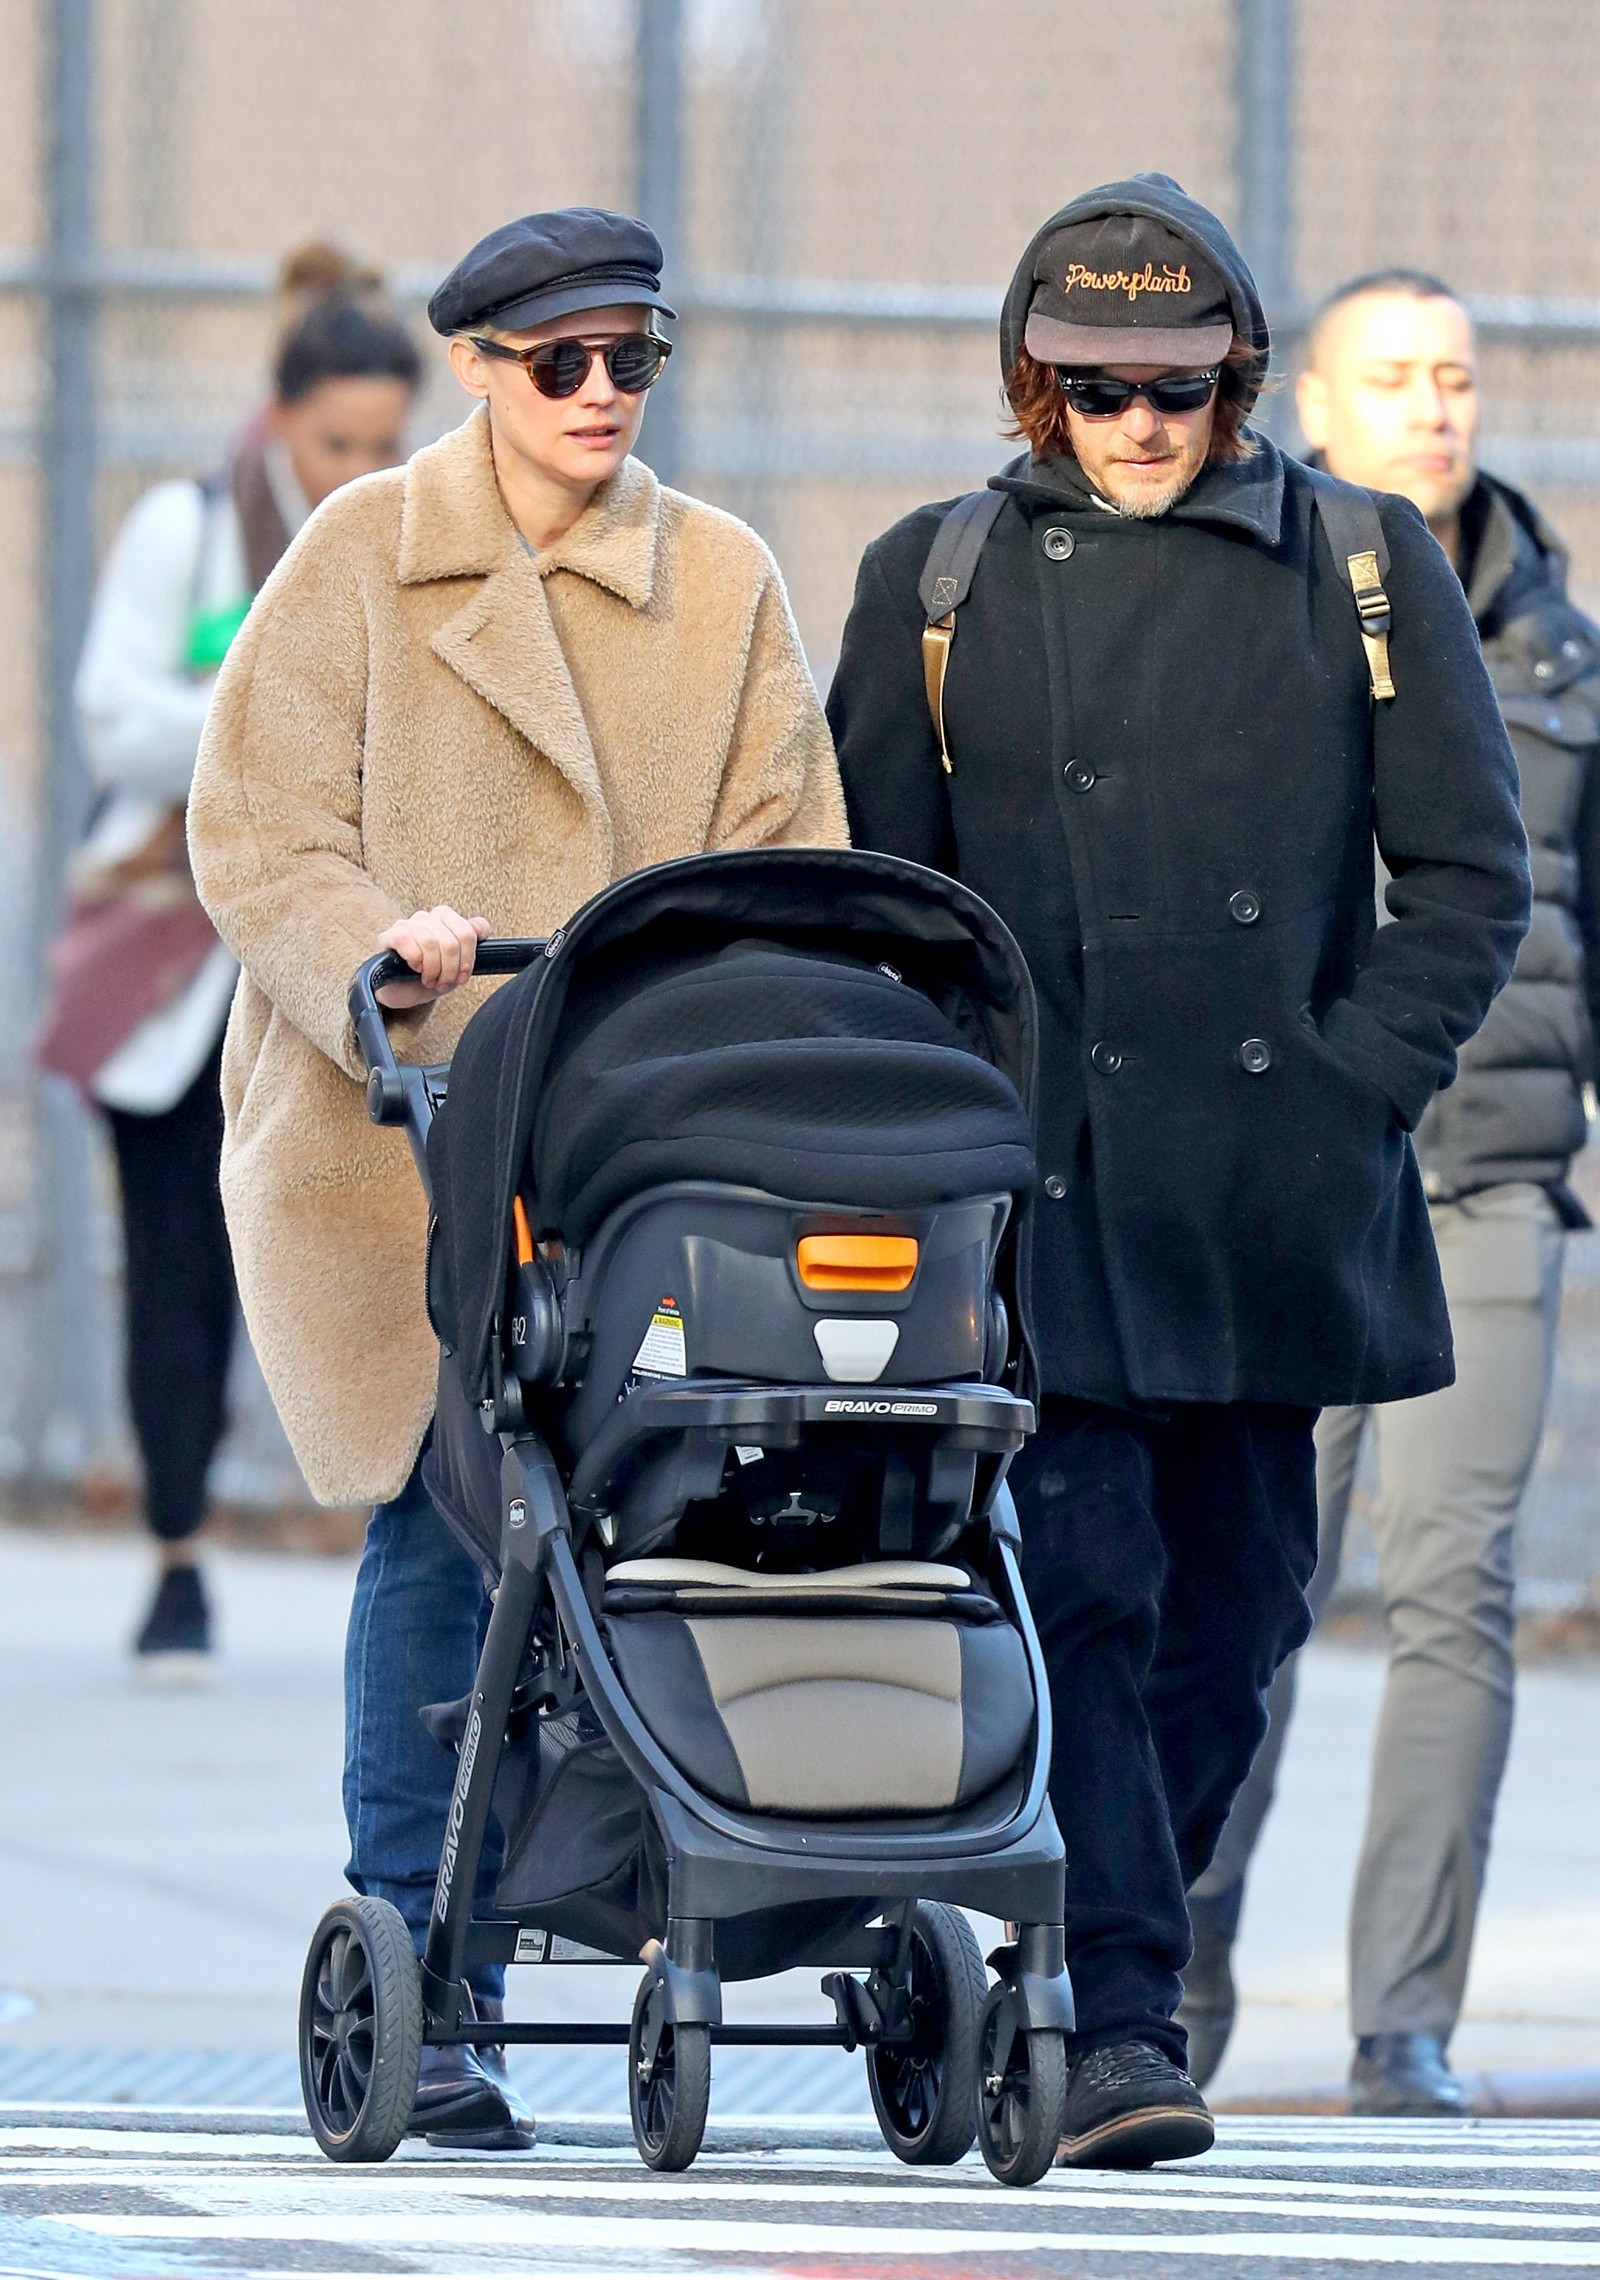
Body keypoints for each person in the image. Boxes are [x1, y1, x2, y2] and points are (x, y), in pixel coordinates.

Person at [826, 175, 1530, 2169]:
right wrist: (958, 1123)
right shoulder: (933, 579)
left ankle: (1074, 1944)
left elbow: (1470, 875)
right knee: (1091, 1588)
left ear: (1237, 379)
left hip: (1271, 1187)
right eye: (1095, 389)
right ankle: (1122, 2014)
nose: (1138, 426)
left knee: (1242, 1617)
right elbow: (882, 902)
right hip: (1039, 1189)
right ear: (1032, 386)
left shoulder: (1361, 566)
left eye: (1177, 388)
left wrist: (1349, 1086)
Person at [187, 207, 847, 2150]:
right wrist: (375, 948)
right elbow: (256, 828)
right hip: (399, 1128)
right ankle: (421, 1946)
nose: (599, 393)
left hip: (643, 1136)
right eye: (559, 361)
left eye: (632, 359)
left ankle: (657, 1905)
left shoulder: (718, 578)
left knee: (664, 1519)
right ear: (476, 367)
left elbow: (791, 850)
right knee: (442, 1507)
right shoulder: (363, 555)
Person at [1180, 270, 1600, 2116]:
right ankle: (1167, 1975)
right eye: (1397, 378)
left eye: (1459, 376)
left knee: (1456, 1592)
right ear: (1317, 411)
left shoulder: (1561, 655)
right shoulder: (1236, 604)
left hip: (1486, 1173)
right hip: (1284, 1179)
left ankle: (1401, 2025)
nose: (1436, 407)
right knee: (1248, 1585)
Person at [55, 245, 421, 1680]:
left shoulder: (406, 544)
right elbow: (112, 715)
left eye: (385, 445)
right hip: (171, 966)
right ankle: (176, 1552)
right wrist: (270, 710)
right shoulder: (192, 529)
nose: (361, 471)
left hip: (328, 966)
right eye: (337, 444)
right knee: (177, 1266)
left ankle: (400, 1533)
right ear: (278, 423)